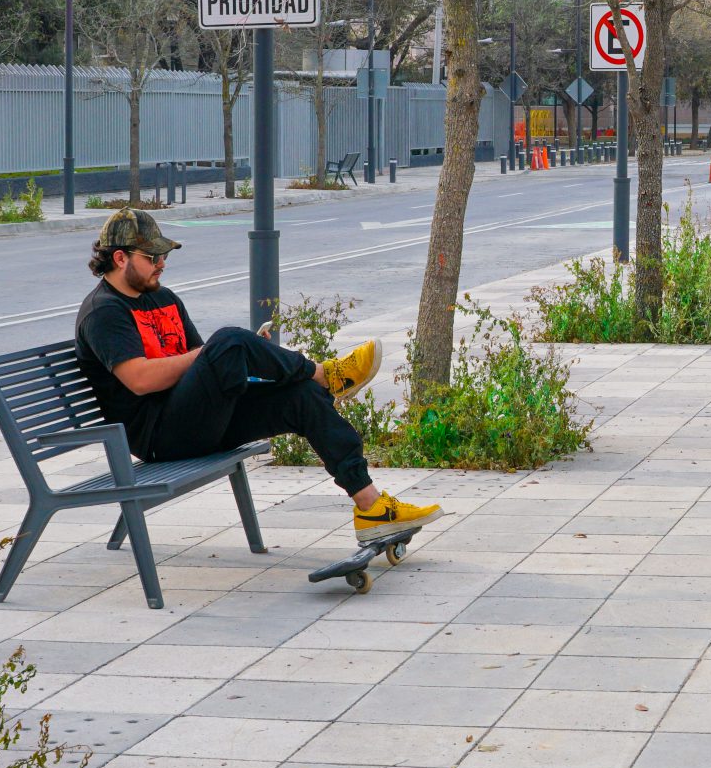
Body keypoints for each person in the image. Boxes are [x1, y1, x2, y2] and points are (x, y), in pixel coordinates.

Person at [74, 208, 439, 546]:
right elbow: (140, 379)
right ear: (120, 258)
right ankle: (325, 374)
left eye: (164, 256)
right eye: (152, 258)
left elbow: (200, 366)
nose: (162, 264)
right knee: (230, 341)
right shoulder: (104, 312)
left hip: (197, 418)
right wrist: (222, 352)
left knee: (300, 396)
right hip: (161, 436)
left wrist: (242, 360)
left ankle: (371, 506)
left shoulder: (162, 297)